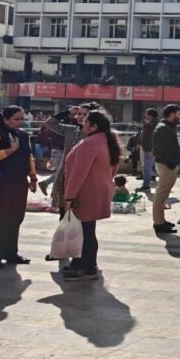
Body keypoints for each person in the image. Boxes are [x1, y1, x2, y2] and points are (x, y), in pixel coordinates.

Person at [61, 110, 120, 281]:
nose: (82, 123)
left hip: (86, 192)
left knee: (85, 232)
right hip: (99, 189)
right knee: (87, 230)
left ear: (93, 126)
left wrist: (69, 196)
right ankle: (81, 265)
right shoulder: (108, 141)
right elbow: (114, 167)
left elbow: (79, 172)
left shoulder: (89, 143)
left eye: (85, 121)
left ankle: (86, 268)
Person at [0, 106, 38, 267]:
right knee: (0, 219)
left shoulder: (23, 135)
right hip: (1, 184)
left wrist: (33, 177)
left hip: (20, 182)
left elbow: (29, 156)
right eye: (16, 119)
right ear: (6, 119)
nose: (20, 122)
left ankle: (11, 253)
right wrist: (10, 151)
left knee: (16, 218)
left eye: (21, 119)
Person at [151, 104, 180, 234]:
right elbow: (161, 150)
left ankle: (161, 220)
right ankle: (159, 223)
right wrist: (172, 164)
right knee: (161, 195)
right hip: (166, 166)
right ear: (172, 114)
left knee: (162, 195)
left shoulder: (167, 127)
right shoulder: (164, 129)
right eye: (178, 114)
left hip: (167, 165)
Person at [138, 109, 159, 192]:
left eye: (146, 114)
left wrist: (152, 149)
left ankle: (146, 186)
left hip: (149, 149)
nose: (145, 115)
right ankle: (146, 184)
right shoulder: (150, 123)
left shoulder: (154, 124)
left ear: (150, 115)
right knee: (146, 167)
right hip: (147, 148)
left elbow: (153, 137)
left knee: (147, 167)